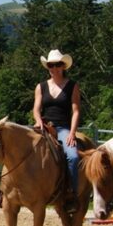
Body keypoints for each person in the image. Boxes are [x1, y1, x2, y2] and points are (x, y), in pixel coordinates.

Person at [31, 49, 81, 215]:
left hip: (62, 128)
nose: (54, 68)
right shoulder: (41, 87)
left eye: (58, 65)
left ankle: (72, 194)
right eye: (51, 65)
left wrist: (72, 133)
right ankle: (5, 191)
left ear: (63, 66)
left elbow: (75, 111)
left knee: (73, 157)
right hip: (43, 126)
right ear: (48, 67)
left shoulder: (72, 86)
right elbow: (36, 109)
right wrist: (38, 122)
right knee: (18, 146)